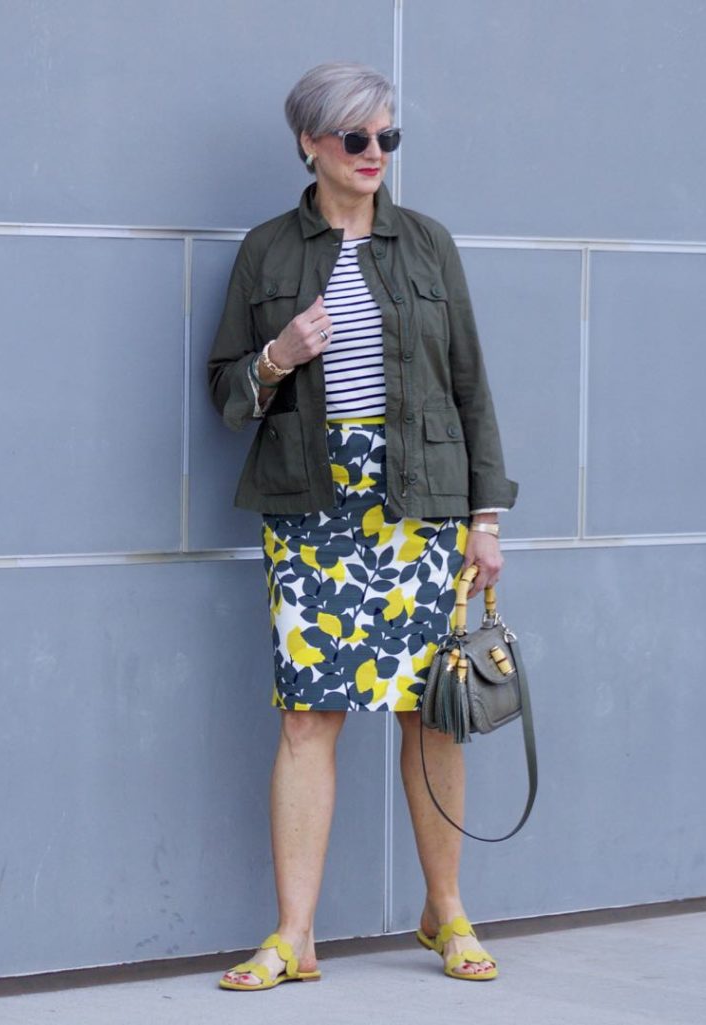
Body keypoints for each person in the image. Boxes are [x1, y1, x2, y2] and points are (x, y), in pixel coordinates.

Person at [207, 61, 518, 991]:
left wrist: (487, 516)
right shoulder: (266, 252)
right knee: (309, 717)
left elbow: (470, 384)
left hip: (422, 502)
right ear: (310, 143)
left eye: (387, 137)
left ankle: (446, 909)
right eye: (355, 138)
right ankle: (294, 935)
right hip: (311, 503)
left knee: (434, 715)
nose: (374, 153)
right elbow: (225, 395)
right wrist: (277, 355)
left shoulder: (427, 246)